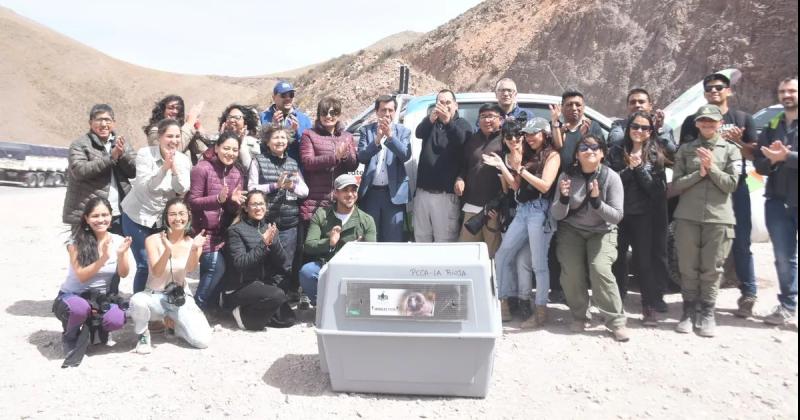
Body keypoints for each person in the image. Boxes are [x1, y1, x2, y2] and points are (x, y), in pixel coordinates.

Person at [679, 73, 759, 317]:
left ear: (729, 91)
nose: (714, 91)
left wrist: (738, 143)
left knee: (741, 240)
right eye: (709, 88)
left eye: (719, 87)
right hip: (699, 189)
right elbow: (683, 152)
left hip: (734, 186)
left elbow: (755, 157)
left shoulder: (743, 119)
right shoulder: (692, 121)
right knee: (694, 246)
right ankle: (695, 302)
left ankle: (748, 292)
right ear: (704, 94)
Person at [551, 135, 629, 342]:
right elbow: (557, 214)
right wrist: (564, 199)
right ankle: (579, 315)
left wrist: (596, 203)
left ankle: (615, 321)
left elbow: (617, 216)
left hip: (603, 230)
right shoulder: (567, 176)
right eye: (584, 147)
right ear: (577, 154)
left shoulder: (611, 177)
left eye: (595, 147)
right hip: (572, 230)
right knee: (571, 272)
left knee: (600, 269)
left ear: (602, 153)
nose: (590, 150)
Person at [672, 105, 741, 337]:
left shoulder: (731, 150)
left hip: (718, 218)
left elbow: (732, 184)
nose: (708, 125)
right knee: (687, 267)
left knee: (712, 268)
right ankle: (688, 311)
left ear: (720, 123)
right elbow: (677, 184)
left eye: (712, 121)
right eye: (703, 121)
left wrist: (711, 168)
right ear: (698, 124)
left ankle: (707, 312)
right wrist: (698, 173)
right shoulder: (686, 149)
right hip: (687, 217)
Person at [487, 118, 560, 328]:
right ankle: (504, 302)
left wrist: (520, 169)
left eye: (533, 134)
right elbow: (515, 186)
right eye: (526, 134)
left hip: (540, 210)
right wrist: (505, 166)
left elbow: (545, 186)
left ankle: (540, 312)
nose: (528, 138)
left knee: (538, 264)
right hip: (522, 210)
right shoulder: (526, 154)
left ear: (544, 134)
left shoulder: (552, 155)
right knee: (502, 255)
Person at [607, 111, 671, 326]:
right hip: (619, 214)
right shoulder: (615, 152)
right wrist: (630, 169)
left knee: (644, 262)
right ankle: (615, 305)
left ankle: (649, 305)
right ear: (628, 127)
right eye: (635, 126)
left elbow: (655, 190)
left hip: (644, 216)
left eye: (645, 128)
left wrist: (640, 168)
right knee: (617, 262)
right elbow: (611, 182)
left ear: (651, 132)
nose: (639, 131)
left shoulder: (655, 154)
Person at [53, 197, 131, 366]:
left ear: (111, 217)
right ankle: (70, 336)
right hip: (73, 296)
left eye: (105, 215)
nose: (101, 219)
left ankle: (95, 328)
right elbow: (81, 275)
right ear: (86, 219)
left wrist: (121, 254)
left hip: (100, 299)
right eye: (95, 216)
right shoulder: (75, 242)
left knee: (116, 319)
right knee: (79, 308)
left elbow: (124, 273)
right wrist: (103, 258)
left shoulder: (118, 240)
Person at [128, 198, 212, 353]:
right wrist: (167, 250)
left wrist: (194, 249)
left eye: (182, 214)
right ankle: (143, 335)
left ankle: (174, 323)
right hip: (155, 296)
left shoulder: (193, 242)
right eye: (172, 214)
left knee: (202, 341)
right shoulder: (153, 240)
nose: (177, 218)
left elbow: (191, 268)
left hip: (180, 298)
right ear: (166, 217)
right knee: (137, 301)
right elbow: (157, 272)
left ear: (188, 215)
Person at [121, 118, 192, 293]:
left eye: (177, 136)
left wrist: (175, 170)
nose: (174, 141)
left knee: (162, 262)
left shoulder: (183, 160)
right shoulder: (145, 154)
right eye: (169, 136)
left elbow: (182, 188)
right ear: (160, 137)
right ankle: (138, 303)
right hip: (138, 216)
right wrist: (164, 169)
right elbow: (148, 188)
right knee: (145, 264)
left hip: (161, 220)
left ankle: (158, 303)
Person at [753, 77, 798, 326]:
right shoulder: (773, 124)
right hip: (777, 201)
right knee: (783, 256)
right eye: (782, 91)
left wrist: (786, 156)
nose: (787, 94)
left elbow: (785, 156)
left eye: (792, 90)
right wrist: (771, 160)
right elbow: (759, 164)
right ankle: (788, 305)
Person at [187, 131, 246, 310]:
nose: (230, 153)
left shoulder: (237, 173)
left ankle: (210, 308)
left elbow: (231, 209)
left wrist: (232, 202)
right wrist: (217, 199)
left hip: (224, 232)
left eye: (234, 150)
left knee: (216, 272)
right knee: (215, 268)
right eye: (226, 148)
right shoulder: (202, 168)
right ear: (217, 148)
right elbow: (192, 201)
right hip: (204, 231)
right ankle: (196, 308)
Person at [223, 190, 297, 330]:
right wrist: (263, 243)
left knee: (288, 319)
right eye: (254, 204)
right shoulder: (235, 230)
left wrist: (273, 242)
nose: (259, 208)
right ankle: (240, 313)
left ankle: (257, 311)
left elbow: (282, 261)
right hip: (240, 286)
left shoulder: (268, 227)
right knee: (277, 296)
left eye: (261, 204)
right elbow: (240, 264)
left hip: (261, 283)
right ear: (246, 207)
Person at [299, 174, 376, 306]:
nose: (350, 194)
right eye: (345, 190)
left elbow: (372, 254)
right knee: (307, 271)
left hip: (355, 268)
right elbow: (309, 245)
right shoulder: (322, 214)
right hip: (328, 265)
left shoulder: (367, 220)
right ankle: (322, 306)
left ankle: (357, 306)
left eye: (353, 190)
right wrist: (329, 242)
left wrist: (359, 249)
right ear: (336, 193)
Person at [248, 127, 308, 292]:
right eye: (275, 137)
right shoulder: (258, 160)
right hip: (265, 222)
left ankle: (281, 302)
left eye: (283, 137)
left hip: (289, 224)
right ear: (267, 141)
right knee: (264, 262)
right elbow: (252, 188)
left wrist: (292, 185)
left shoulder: (292, 163)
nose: (280, 141)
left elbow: (305, 191)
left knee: (285, 264)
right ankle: (264, 301)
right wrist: (276, 185)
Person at [62, 104, 136, 234]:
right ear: (90, 123)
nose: (103, 124)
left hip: (119, 212)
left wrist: (122, 154)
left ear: (113, 123)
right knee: (89, 253)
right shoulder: (80, 144)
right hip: (90, 215)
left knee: (116, 251)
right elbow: (80, 171)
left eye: (107, 120)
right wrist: (111, 157)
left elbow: (134, 171)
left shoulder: (122, 144)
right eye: (99, 120)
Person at [413, 89, 473, 242]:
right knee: (421, 237)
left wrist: (448, 122)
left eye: (448, 103)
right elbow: (419, 133)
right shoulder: (431, 122)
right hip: (423, 192)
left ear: (456, 105)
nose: (444, 106)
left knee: (444, 240)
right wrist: (430, 120)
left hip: (445, 195)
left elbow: (461, 140)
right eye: (440, 102)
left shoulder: (462, 124)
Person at [357, 95, 412, 242]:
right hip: (371, 195)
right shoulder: (366, 131)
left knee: (393, 239)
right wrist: (376, 140)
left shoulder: (403, 132)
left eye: (391, 110)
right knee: (370, 239)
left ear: (395, 112)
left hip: (393, 195)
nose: (387, 114)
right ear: (376, 111)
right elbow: (362, 156)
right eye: (383, 110)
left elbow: (405, 155)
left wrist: (390, 137)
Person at [299, 97, 358, 224]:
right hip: (315, 201)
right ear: (318, 114)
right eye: (324, 113)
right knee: (315, 242)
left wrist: (345, 156)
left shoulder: (347, 137)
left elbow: (353, 166)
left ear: (339, 114)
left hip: (340, 201)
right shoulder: (309, 135)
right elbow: (308, 162)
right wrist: (334, 157)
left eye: (333, 113)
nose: (328, 116)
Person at [456, 103, 504, 257]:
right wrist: (459, 179)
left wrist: (498, 206)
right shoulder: (472, 140)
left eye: (491, 116)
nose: (487, 120)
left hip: (493, 210)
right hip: (471, 206)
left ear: (501, 120)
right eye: (483, 116)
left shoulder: (506, 141)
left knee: (492, 255)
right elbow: (463, 166)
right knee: (467, 254)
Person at [608, 88, 676, 154]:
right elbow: (616, 143)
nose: (637, 105)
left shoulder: (664, 128)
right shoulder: (619, 125)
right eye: (633, 102)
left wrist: (658, 130)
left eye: (641, 102)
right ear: (627, 106)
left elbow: (671, 151)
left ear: (650, 106)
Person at [550, 91, 606, 169]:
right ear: (561, 107)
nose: (574, 108)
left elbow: (602, 156)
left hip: (582, 178)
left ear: (583, 107)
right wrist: (557, 128)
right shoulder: (552, 126)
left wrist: (586, 137)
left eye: (578, 105)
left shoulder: (592, 127)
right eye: (569, 104)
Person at [260, 81, 313, 163]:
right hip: (269, 168)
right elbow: (259, 148)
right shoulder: (263, 117)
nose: (288, 98)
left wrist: (295, 133)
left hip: (296, 169)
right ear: (274, 98)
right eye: (283, 95)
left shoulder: (304, 119)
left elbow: (308, 150)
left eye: (291, 95)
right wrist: (272, 128)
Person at [219, 104, 260, 171]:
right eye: (229, 117)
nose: (232, 120)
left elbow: (249, 167)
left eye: (237, 117)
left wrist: (241, 143)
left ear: (245, 122)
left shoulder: (253, 143)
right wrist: (221, 140)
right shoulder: (217, 138)